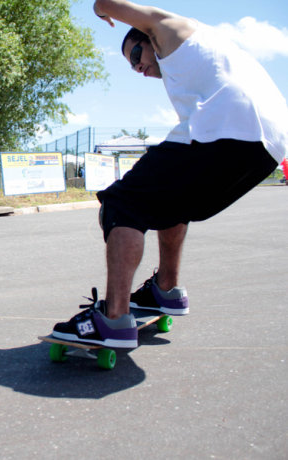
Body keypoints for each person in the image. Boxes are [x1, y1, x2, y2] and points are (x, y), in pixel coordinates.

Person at [52, 0, 288, 348]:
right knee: (171, 201)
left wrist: (103, 12)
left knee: (121, 203)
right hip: (266, 149)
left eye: (135, 56)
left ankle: (113, 319)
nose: (138, 68)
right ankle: (166, 290)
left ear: (148, 37)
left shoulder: (171, 29)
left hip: (229, 132)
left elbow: (106, 2)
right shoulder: (209, 60)